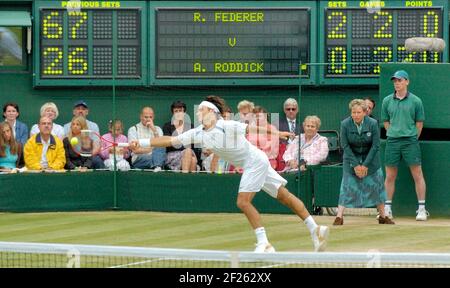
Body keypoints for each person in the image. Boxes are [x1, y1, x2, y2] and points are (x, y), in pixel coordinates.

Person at [131, 95, 329, 253]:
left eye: (202, 109)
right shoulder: (197, 133)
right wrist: (142, 143)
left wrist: (279, 134)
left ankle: (265, 243)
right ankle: (315, 229)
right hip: (254, 161)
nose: (198, 112)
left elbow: (254, 127)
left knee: (242, 202)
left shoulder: (226, 125)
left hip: (254, 161)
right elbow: (167, 141)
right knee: (284, 197)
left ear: (212, 112)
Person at [333, 99, 394, 225]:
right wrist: (355, 165)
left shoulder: (372, 123)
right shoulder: (345, 124)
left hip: (371, 160)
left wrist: (365, 165)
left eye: (358, 112)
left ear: (365, 112)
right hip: (351, 159)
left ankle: (383, 216)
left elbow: (375, 145)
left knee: (378, 186)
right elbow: (345, 145)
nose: (356, 115)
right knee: (346, 186)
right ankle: (339, 216)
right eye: (353, 112)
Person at [381, 70, 428, 221]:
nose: (397, 83)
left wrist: (412, 137)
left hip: (410, 141)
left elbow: (419, 123)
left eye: (400, 80)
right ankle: (387, 209)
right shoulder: (387, 101)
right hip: (392, 142)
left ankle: (421, 209)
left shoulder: (416, 101)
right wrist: (394, 133)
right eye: (395, 81)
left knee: (417, 174)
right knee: (389, 175)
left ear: (407, 82)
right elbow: (386, 122)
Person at [163, 101, 198, 173]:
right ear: (173, 113)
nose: (178, 113)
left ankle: (186, 179)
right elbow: (169, 143)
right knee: (191, 157)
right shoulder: (167, 126)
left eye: (180, 111)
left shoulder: (191, 126)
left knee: (191, 156)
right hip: (172, 155)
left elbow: (194, 145)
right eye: (176, 111)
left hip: (189, 153)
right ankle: (187, 178)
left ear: (184, 112)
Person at [127, 106, 166, 170]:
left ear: (153, 117)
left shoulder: (158, 129)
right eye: (146, 117)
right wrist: (153, 150)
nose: (148, 119)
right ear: (141, 117)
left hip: (155, 156)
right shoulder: (133, 129)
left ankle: (157, 166)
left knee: (162, 146)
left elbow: (161, 146)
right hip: (139, 159)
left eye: (150, 117)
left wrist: (154, 130)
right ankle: (158, 165)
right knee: (158, 157)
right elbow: (135, 150)